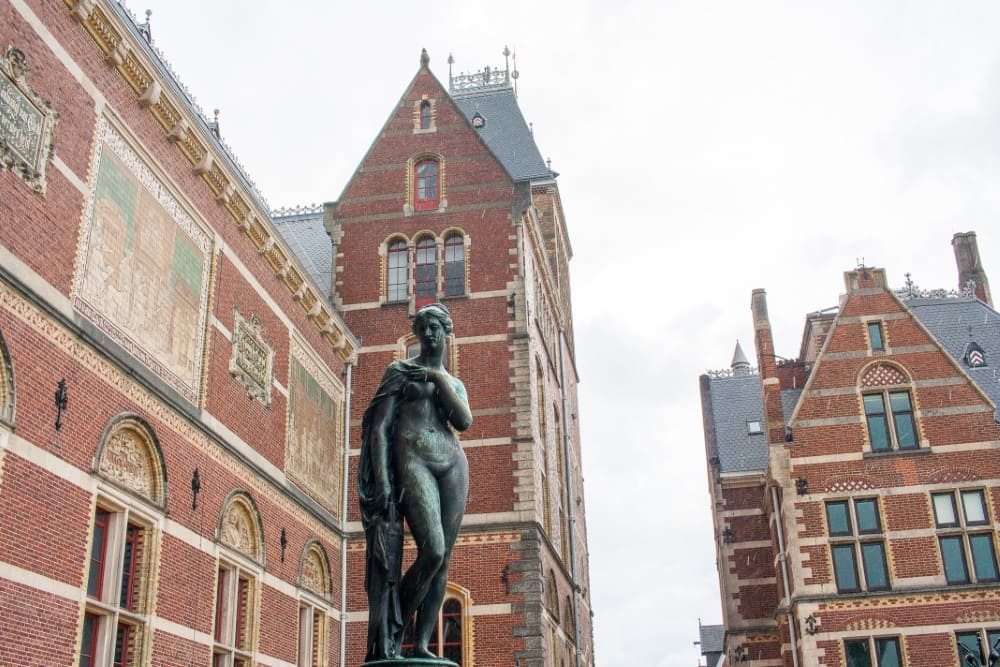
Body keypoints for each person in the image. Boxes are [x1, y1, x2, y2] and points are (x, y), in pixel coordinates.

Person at [358, 303, 473, 661]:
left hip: (452, 464)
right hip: (413, 458)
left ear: (446, 332)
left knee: (444, 559)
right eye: (423, 327)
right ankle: (395, 631)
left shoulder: (452, 382)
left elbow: (464, 420)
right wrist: (382, 480)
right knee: (433, 550)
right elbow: (378, 429)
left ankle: (421, 644)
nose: (429, 334)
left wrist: (437, 378)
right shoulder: (400, 371)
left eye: (435, 327)